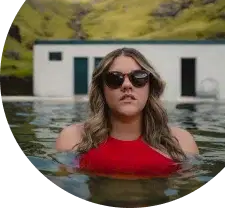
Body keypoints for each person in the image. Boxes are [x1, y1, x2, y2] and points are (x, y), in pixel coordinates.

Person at [55, 47, 199, 179]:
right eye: (115, 78)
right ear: (102, 90)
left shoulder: (182, 142)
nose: (127, 85)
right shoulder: (72, 139)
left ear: (150, 87)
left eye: (139, 77)